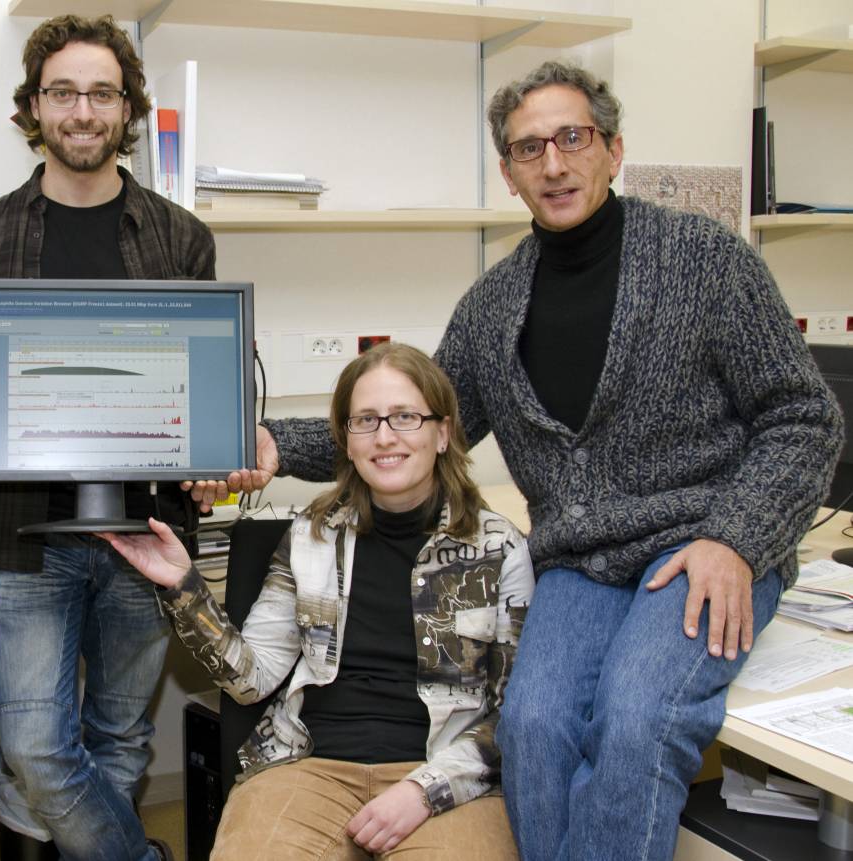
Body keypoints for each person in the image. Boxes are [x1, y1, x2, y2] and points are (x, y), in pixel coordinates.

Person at [199, 61, 845, 861]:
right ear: (508, 173)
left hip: (702, 546)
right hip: (583, 561)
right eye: (529, 147)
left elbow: (804, 416)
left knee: (637, 719)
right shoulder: (496, 303)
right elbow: (418, 420)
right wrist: (273, 445)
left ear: (612, 149)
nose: (553, 161)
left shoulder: (704, 261)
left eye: (572, 138)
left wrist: (737, 538)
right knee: (533, 728)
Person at [0, 14, 215, 860]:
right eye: (63, 93)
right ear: (34, 108)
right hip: (26, 538)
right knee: (36, 749)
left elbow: (211, 383)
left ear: (125, 110)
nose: (82, 111)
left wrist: (220, 439)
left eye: (101, 94)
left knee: (118, 741)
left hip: (145, 533)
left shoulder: (179, 236)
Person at [106, 344, 533, 860]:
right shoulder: (314, 535)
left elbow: (516, 717)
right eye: (365, 421)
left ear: (442, 433)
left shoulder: (500, 549)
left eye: (405, 417)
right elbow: (253, 678)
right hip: (310, 766)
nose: (384, 437)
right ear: (346, 442)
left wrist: (426, 790)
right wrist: (182, 586)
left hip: (445, 774)